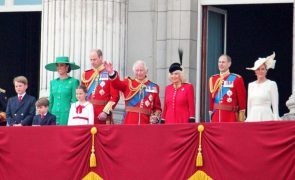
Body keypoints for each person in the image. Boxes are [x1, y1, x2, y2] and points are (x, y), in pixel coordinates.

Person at [104, 60, 162, 124]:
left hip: (146, 123)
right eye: (137, 70)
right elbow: (116, 84)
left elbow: (157, 108)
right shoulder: (128, 83)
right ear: (134, 72)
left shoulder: (154, 87)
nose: (139, 73)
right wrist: (111, 73)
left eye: (141, 70)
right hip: (129, 122)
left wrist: (155, 117)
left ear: (146, 71)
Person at [81, 49, 119, 124]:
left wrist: (105, 112)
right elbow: (82, 94)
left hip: (102, 113)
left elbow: (115, 96)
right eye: (91, 60)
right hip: (87, 111)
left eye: (94, 59)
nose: (92, 62)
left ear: (101, 58)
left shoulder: (110, 73)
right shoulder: (86, 74)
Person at [208, 54, 246, 122]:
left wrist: (241, 116)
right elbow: (211, 99)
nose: (221, 64)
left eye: (223, 62)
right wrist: (211, 113)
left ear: (229, 64)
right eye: (219, 62)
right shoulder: (213, 79)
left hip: (230, 117)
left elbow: (242, 100)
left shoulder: (236, 79)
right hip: (216, 116)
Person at [162, 49, 195, 123]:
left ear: (181, 75)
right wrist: (163, 120)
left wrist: (192, 118)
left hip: (183, 120)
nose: (174, 76)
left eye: (176, 74)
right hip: (169, 121)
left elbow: (191, 106)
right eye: (172, 74)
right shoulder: (168, 88)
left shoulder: (188, 87)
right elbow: (165, 107)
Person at [246, 52, 280, 121]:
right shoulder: (251, 85)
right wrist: (248, 119)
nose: (260, 71)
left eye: (262, 69)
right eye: (258, 69)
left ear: (266, 70)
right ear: (255, 71)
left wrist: (276, 119)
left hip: (266, 116)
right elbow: (249, 105)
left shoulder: (272, 84)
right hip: (253, 117)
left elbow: (275, 105)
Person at [45, 56, 80, 125]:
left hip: (67, 114)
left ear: (67, 67)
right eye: (57, 65)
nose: (59, 67)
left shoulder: (73, 82)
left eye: (61, 65)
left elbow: (75, 101)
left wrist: (74, 116)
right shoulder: (53, 82)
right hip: (53, 113)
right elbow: (51, 100)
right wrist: (48, 114)